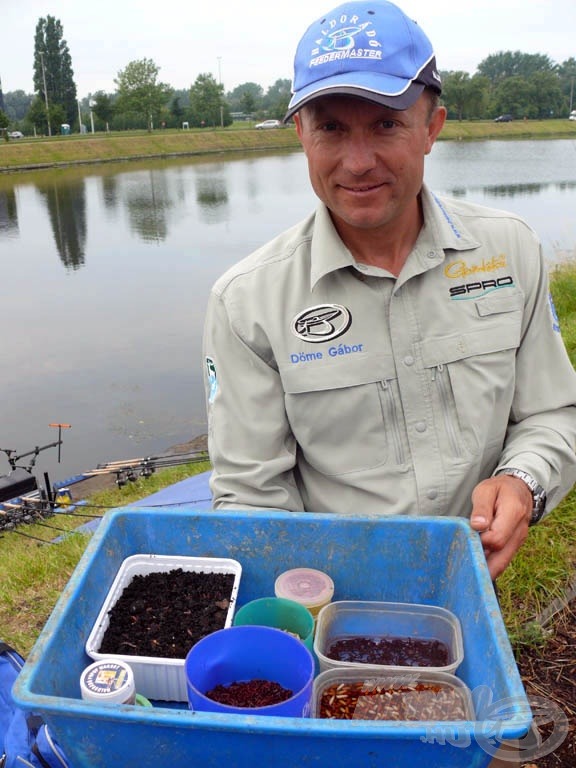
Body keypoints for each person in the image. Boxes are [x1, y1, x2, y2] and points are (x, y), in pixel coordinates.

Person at [202, 0, 576, 582]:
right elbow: (252, 496)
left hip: (474, 581)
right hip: (331, 602)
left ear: (432, 128)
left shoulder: (511, 251)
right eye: (330, 127)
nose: (357, 162)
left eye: (386, 124)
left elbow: (553, 413)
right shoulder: (246, 303)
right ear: (301, 133)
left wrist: (523, 480)